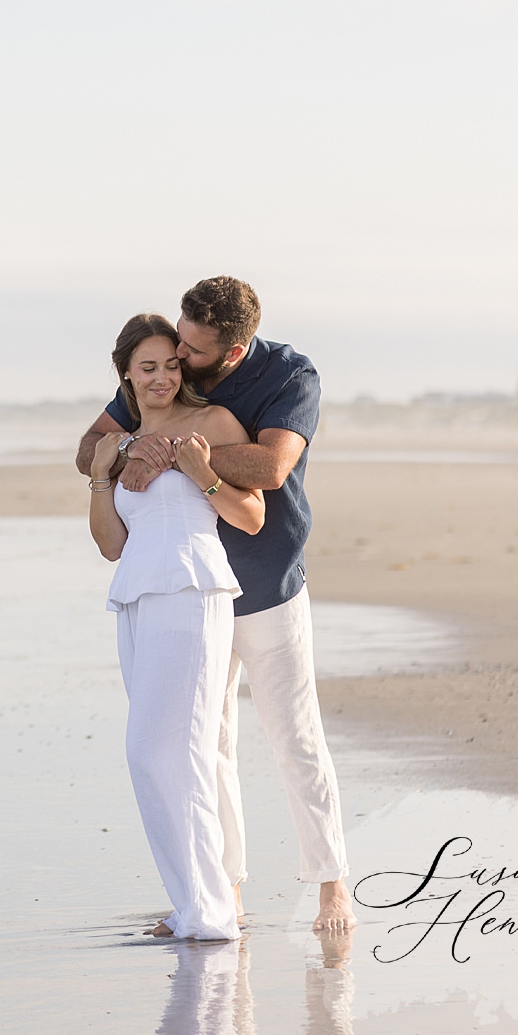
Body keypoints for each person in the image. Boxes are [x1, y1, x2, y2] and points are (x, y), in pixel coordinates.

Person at [77, 276, 355, 933]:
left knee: (295, 736)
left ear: (233, 351)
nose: (179, 356)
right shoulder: (164, 368)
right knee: (209, 745)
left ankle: (332, 884)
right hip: (187, 599)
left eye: (194, 351)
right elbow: (89, 449)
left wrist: (175, 454)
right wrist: (123, 451)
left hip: (266, 582)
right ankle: (222, 889)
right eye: (178, 338)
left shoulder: (289, 376)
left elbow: (269, 467)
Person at [89, 312, 264, 942]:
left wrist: (203, 472)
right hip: (137, 597)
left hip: (193, 590)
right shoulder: (123, 441)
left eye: (170, 364)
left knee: (173, 753)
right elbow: (110, 544)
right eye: (147, 368)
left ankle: (210, 913)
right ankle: (193, 904)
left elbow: (250, 516)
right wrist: (103, 474)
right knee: (151, 756)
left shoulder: (212, 426)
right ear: (127, 376)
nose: (162, 377)